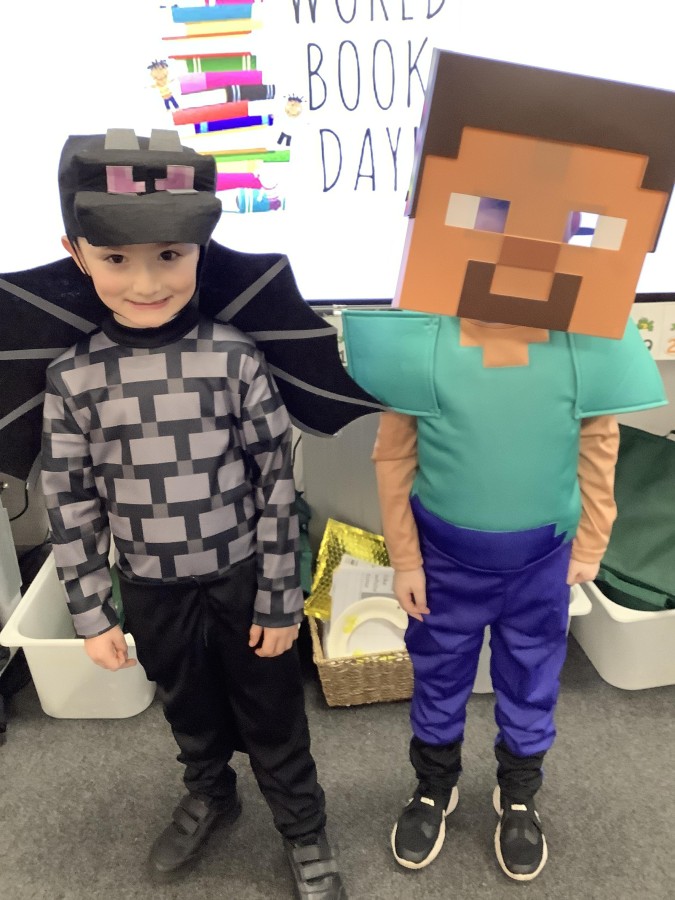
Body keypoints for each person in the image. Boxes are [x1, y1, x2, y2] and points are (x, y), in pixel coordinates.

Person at [341, 50, 675, 882]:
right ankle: (433, 785)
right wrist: (406, 560)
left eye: (556, 223)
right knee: (438, 677)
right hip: (444, 560)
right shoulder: (425, 341)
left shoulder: (584, 343)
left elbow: (598, 447)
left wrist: (589, 545)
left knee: (532, 682)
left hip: (540, 562)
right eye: (492, 214)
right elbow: (394, 456)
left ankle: (518, 795)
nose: (521, 241)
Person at [40, 127, 346, 899]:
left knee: (273, 715)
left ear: (201, 249)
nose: (146, 282)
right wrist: (92, 613)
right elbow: (70, 498)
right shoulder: (73, 379)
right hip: (150, 587)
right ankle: (211, 791)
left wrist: (279, 598)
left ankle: (302, 827)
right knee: (189, 710)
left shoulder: (234, 357)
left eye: (170, 255)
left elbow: (276, 482)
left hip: (242, 580)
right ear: (76, 253)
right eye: (116, 259)